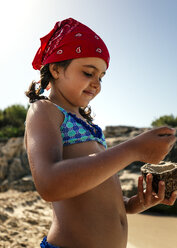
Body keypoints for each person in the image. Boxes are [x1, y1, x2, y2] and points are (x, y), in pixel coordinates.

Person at [25, 18, 177, 248]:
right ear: (55, 69)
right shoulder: (45, 111)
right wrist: (133, 148)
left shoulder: (89, 126)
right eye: (88, 73)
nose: (96, 83)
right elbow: (49, 184)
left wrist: (134, 204)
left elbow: (95, 197)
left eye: (101, 77)